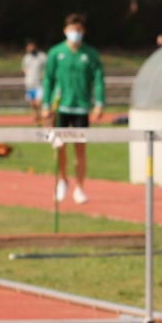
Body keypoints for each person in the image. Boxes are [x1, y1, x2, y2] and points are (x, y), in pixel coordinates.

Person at [41, 12, 105, 204]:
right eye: (71, 30)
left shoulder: (91, 54)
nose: (74, 33)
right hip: (60, 106)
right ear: (65, 31)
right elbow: (48, 80)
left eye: (78, 30)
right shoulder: (56, 53)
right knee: (59, 146)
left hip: (81, 107)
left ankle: (80, 187)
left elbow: (99, 80)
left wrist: (99, 103)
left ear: (83, 31)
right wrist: (46, 105)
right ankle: (62, 180)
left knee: (80, 150)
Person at [21, 40, 45, 123]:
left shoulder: (42, 56)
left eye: (31, 46)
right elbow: (24, 68)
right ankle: (36, 117)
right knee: (32, 103)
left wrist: (43, 75)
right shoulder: (26, 57)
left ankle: (42, 116)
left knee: (39, 102)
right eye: (28, 47)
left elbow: (47, 67)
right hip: (29, 84)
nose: (30, 48)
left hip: (39, 83)